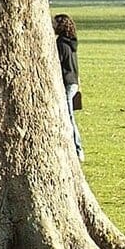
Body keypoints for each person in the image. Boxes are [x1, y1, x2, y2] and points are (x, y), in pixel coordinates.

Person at [54, 13, 82, 160]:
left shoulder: (61, 45)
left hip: (67, 83)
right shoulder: (71, 43)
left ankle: (78, 149)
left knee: (68, 116)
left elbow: (57, 64)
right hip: (74, 82)